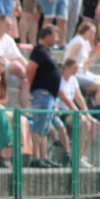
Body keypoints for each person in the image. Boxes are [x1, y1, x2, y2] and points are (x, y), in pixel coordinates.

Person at [23, 24, 63, 168]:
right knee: (38, 126)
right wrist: (30, 89)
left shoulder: (47, 51)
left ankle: (44, 156)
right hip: (42, 94)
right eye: (55, 36)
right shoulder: (39, 51)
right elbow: (30, 69)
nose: (57, 39)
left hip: (49, 96)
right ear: (48, 35)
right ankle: (36, 157)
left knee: (45, 128)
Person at [56, 58, 100, 167]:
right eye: (74, 68)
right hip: (64, 112)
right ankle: (76, 158)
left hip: (73, 112)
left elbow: (79, 97)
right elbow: (66, 99)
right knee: (83, 122)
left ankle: (80, 155)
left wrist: (88, 114)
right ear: (67, 67)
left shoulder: (74, 79)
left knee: (94, 124)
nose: (76, 70)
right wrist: (79, 113)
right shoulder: (60, 80)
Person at [65, 21, 100, 111]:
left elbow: (84, 64)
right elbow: (69, 61)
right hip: (76, 75)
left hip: (83, 73)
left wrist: (97, 56)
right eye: (92, 32)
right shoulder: (78, 42)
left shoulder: (84, 43)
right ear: (85, 31)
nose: (93, 35)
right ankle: (99, 115)